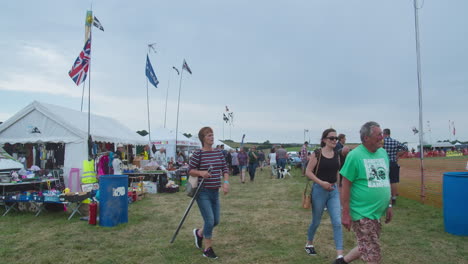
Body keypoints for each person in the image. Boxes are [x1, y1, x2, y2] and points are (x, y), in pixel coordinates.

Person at [337, 121, 393, 264]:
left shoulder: (383, 153)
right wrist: (345, 213)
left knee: (366, 245)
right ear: (366, 138)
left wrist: (389, 205)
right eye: (378, 134)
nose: (382, 137)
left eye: (382, 134)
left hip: (376, 212)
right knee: (373, 252)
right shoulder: (354, 156)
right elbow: (345, 184)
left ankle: (341, 262)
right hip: (362, 213)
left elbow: (385, 179)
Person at [189, 127, 230, 259]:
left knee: (216, 221)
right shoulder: (198, 154)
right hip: (202, 192)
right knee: (210, 219)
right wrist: (201, 173)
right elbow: (190, 170)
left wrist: (226, 182)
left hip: (215, 191)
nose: (212, 137)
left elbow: (225, 168)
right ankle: (207, 249)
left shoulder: (218, 152)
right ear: (203, 138)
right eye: (209, 136)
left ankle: (199, 233)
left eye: (212, 135)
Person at [304, 129, 344, 261]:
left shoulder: (337, 154)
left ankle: (340, 255)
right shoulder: (317, 153)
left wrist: (338, 188)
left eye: (336, 138)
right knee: (316, 221)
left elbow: (337, 172)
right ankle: (309, 243)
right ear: (324, 140)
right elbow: (308, 172)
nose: (334, 140)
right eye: (331, 138)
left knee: (337, 222)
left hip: (333, 192)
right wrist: (321, 183)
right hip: (319, 191)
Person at [383, 128, 408, 206]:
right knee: (393, 181)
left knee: (384, 181)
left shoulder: (382, 142)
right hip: (393, 163)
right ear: (389, 134)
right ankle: (394, 198)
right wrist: (398, 155)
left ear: (384, 134)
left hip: (384, 163)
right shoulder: (395, 141)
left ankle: (386, 197)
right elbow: (405, 148)